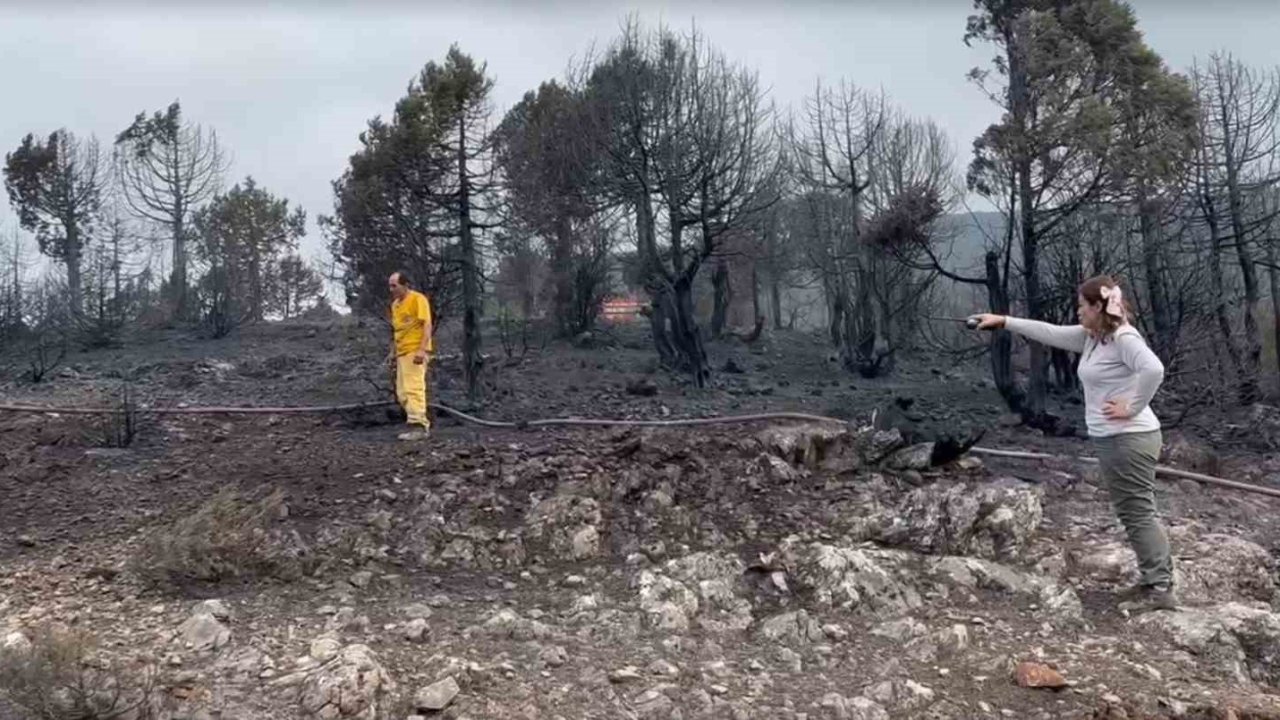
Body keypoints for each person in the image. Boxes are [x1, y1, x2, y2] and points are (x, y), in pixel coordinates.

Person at [970, 275, 1175, 611]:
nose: (1078, 311)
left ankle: (1160, 588)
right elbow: (1048, 331)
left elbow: (1154, 369)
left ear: (1098, 306)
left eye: (1082, 305)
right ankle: (1153, 580)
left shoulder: (1123, 338)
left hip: (1130, 438)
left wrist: (1132, 405)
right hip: (1115, 439)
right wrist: (1004, 321)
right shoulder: (1095, 338)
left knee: (1138, 512)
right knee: (1132, 511)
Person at [387, 271, 433, 441]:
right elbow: (398, 330)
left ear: (405, 285)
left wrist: (422, 350)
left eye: (395, 286)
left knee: (413, 388)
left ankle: (419, 426)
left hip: (415, 350)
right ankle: (415, 422)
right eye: (390, 286)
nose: (391, 289)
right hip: (402, 352)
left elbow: (426, 324)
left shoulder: (418, 299)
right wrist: (393, 352)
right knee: (402, 392)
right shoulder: (396, 305)